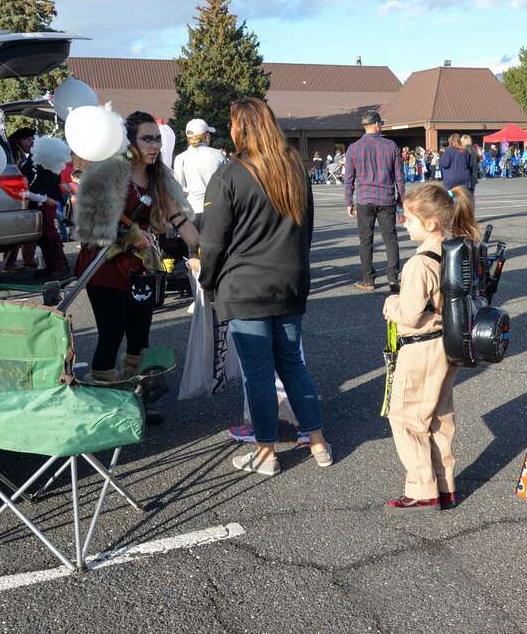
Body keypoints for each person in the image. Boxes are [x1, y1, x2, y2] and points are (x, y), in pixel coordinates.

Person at [199, 97, 331, 476]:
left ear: (240, 128)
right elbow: (305, 231)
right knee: (292, 365)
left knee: (259, 372)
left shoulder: (230, 174)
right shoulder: (294, 169)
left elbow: (213, 242)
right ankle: (318, 442)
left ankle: (266, 452)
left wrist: (208, 281)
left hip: (246, 286)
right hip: (289, 280)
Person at [73, 110, 197, 425]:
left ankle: (136, 399)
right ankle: (104, 402)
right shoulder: (110, 173)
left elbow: (178, 218)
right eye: (146, 139)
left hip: (141, 269)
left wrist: (203, 246)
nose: (154, 146)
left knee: (140, 335)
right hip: (104, 265)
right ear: (130, 141)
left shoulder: (159, 177)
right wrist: (131, 234)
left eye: (156, 139)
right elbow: (93, 225)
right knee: (111, 333)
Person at [382, 181, 477, 512]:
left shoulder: (420, 264)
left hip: (421, 348)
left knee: (407, 417)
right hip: (447, 346)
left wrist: (389, 304)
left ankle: (423, 490)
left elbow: (408, 314)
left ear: (430, 223)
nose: (402, 222)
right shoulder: (455, 252)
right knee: (438, 416)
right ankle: (444, 484)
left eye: (408, 217)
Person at [343, 110, 405, 292]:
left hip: (364, 198)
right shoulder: (391, 146)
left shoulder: (353, 148)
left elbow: (349, 178)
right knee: (390, 238)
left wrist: (349, 202)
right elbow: (399, 177)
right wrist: (401, 199)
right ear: (377, 125)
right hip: (386, 198)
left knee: (365, 240)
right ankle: (393, 278)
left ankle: (369, 279)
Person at [21, 135, 72, 280]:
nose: (31, 143)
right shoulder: (35, 162)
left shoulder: (44, 166)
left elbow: (41, 182)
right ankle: (52, 266)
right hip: (40, 200)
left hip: (45, 201)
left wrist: (43, 198)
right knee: (44, 236)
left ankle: (61, 266)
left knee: (49, 234)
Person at [172, 118, 225, 238]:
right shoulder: (218, 155)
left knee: (193, 254)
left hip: (192, 213)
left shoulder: (181, 158)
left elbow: (179, 189)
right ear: (205, 135)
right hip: (215, 212)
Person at [2, 127, 38, 272]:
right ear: (20, 141)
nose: (32, 142)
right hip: (14, 196)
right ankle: (9, 264)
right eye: (29, 140)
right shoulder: (14, 153)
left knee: (26, 230)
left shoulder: (20, 153)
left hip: (20, 194)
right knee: (15, 230)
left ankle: (27, 261)